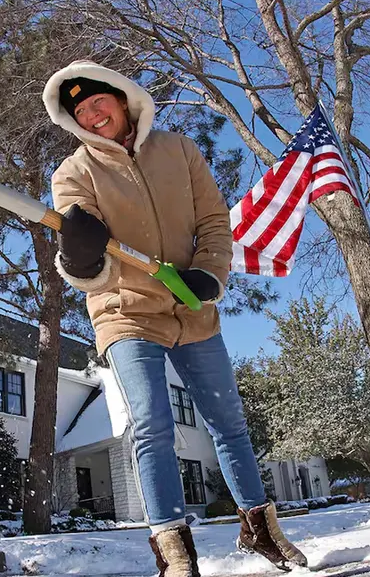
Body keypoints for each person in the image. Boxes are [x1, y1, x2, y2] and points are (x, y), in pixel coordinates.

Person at [42, 60, 309, 576]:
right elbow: (86, 261)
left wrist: (209, 275)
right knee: (153, 426)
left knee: (229, 424)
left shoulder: (178, 150)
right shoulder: (73, 173)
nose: (93, 115)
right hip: (127, 313)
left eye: (99, 103)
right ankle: (174, 553)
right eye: (81, 111)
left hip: (191, 307)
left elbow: (213, 219)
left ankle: (260, 529)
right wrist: (78, 253)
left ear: (122, 99)